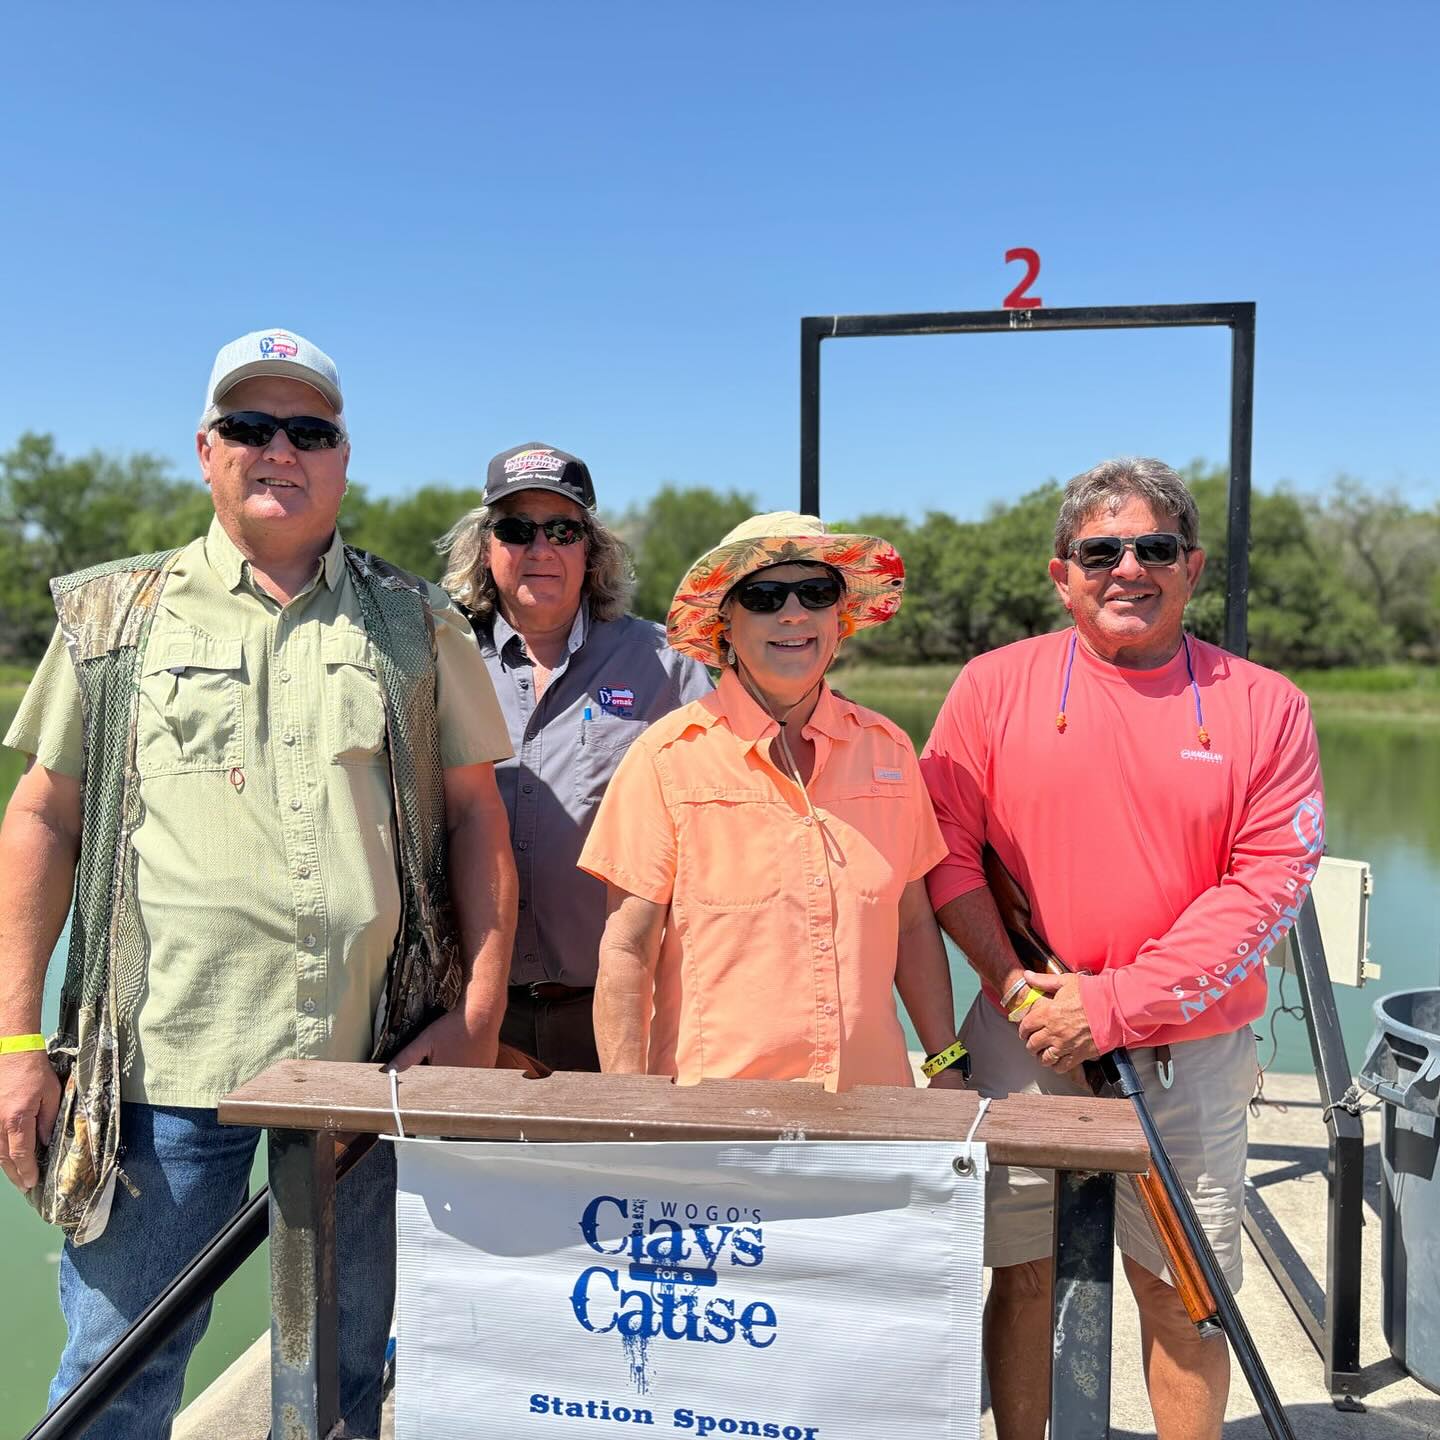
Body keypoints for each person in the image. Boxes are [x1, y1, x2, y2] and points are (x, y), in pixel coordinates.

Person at [0, 328, 518, 1439]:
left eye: (308, 430)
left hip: (365, 1075)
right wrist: (12, 1046)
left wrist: (474, 1018)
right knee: (115, 1377)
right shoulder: (116, 617)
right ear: (205, 451)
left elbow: (478, 819)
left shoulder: (419, 622)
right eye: (249, 426)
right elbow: (39, 817)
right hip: (155, 1077)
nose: (278, 449)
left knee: (339, 1379)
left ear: (342, 458)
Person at [919, 457, 1325, 1440]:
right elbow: (941, 855)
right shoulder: (988, 688)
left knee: (1183, 1296)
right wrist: (1018, 991)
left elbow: (1266, 885)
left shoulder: (1269, 706)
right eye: (1100, 550)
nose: (1127, 568)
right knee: (1016, 1278)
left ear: (1191, 568)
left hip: (1188, 1055)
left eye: (1152, 547)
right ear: (1063, 574)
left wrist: (1110, 1006)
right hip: (1022, 1038)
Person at [580, 511, 966, 1093]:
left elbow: (912, 925)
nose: (793, 613)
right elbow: (628, 948)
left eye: (815, 592)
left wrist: (945, 1066)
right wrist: (628, 1105)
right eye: (763, 596)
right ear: (725, 625)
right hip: (713, 1128)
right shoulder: (662, 757)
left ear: (841, 617)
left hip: (873, 1111)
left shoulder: (890, 750)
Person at [440, 444, 711, 1072]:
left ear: (591, 549)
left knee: (618, 1175)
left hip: (620, 1014)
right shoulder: (439, 657)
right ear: (486, 548)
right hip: (466, 1017)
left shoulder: (667, 664)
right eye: (516, 530)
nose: (540, 550)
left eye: (562, 530)